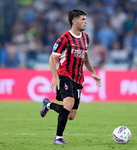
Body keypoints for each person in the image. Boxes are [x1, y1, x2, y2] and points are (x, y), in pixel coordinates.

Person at [40, 9, 101, 144]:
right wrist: (55, 77)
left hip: (78, 79)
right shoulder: (64, 39)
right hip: (64, 75)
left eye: (85, 19)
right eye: (83, 19)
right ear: (74, 22)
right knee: (69, 103)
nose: (86, 22)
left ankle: (49, 105)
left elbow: (85, 56)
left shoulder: (86, 38)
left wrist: (93, 72)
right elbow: (52, 58)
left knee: (71, 116)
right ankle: (58, 138)